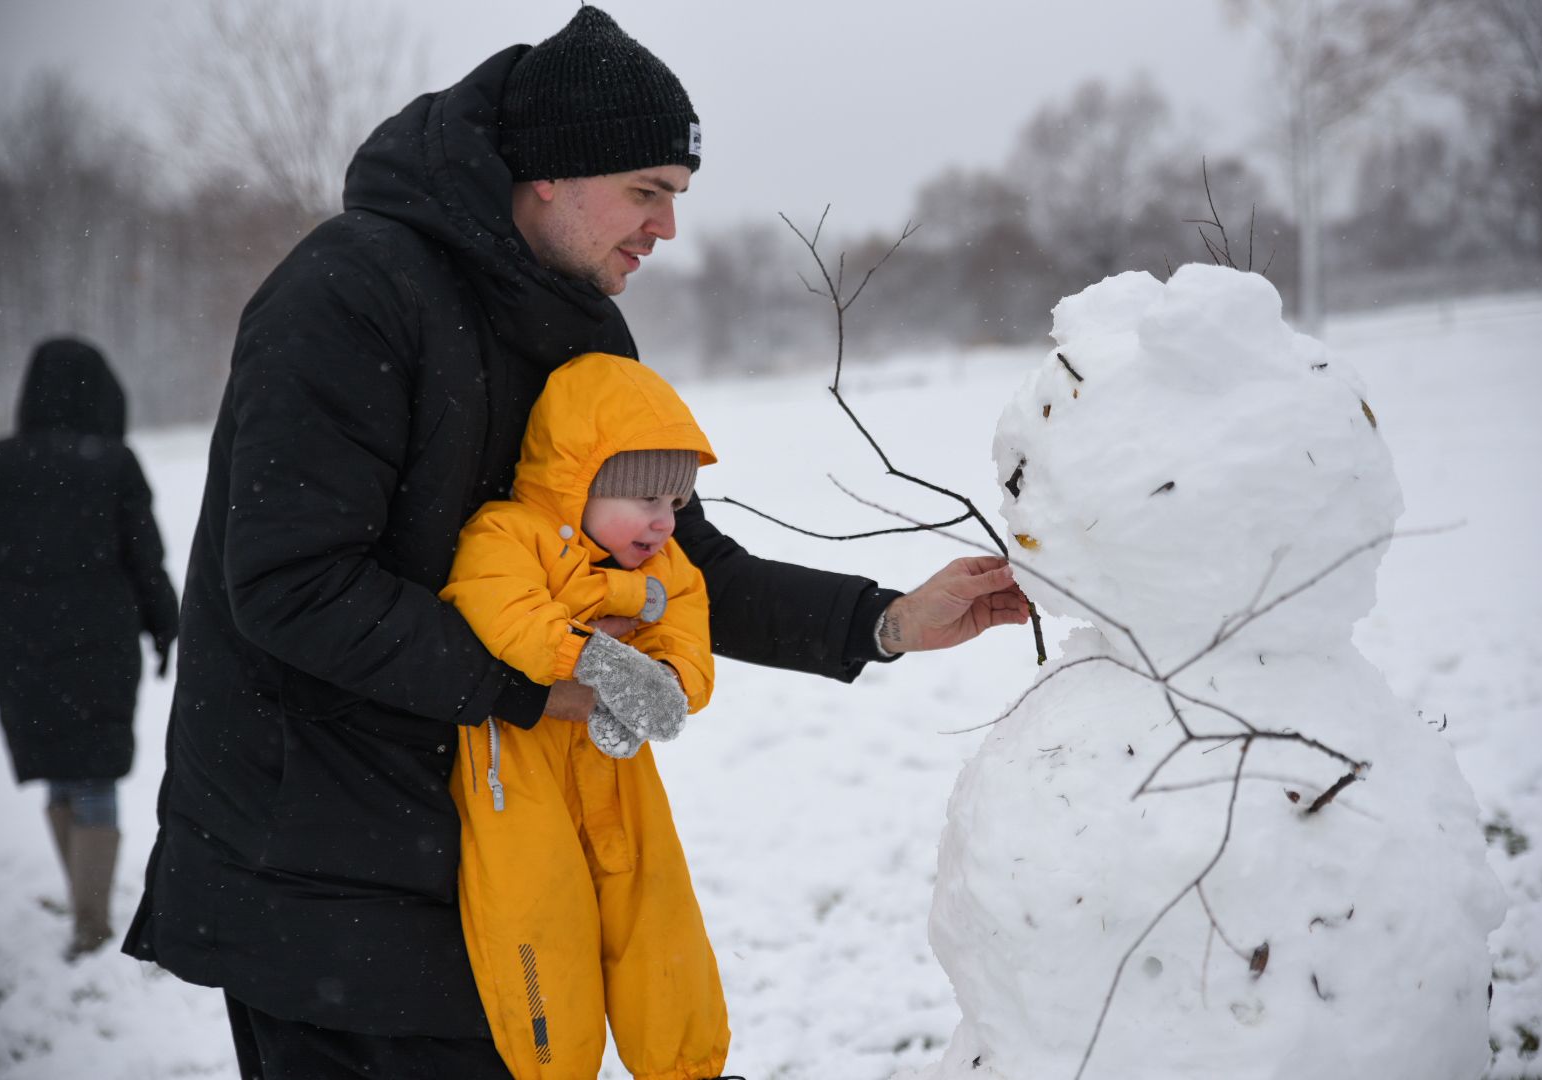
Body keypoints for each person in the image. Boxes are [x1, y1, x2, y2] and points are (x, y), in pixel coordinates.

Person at [125, 7, 1027, 1078]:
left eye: (677, 197)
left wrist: (881, 621)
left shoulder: (580, 324)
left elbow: (676, 559)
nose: (668, 230)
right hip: (318, 868)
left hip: (496, 848)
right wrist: (542, 688)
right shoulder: (348, 291)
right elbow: (295, 584)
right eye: (649, 191)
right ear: (551, 173)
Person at [444, 351, 727, 1080]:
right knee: (540, 923)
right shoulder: (506, 535)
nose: (664, 524)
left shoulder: (663, 571)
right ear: (580, 483)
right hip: (522, 778)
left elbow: (689, 633)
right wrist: (597, 663)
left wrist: (665, 680)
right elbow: (506, 614)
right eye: (645, 501)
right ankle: (552, 1067)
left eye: (676, 505)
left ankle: (684, 1065)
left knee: (656, 918)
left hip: (620, 775)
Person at [0, 336, 179, 960]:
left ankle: (83, 903)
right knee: (95, 772)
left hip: (19, 645)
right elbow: (145, 558)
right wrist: (165, 625)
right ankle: (92, 921)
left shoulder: (2, 462)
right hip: (99, 640)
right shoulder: (113, 462)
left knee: (59, 771)